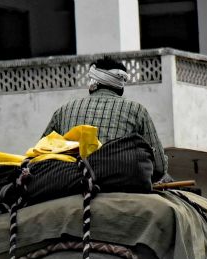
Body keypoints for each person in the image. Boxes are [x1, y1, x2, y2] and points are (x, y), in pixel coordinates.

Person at [41, 56, 169, 182]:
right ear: (121, 87)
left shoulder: (63, 110)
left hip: (68, 184)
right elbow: (159, 167)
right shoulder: (137, 110)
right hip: (120, 185)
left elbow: (40, 155)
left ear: (92, 83)